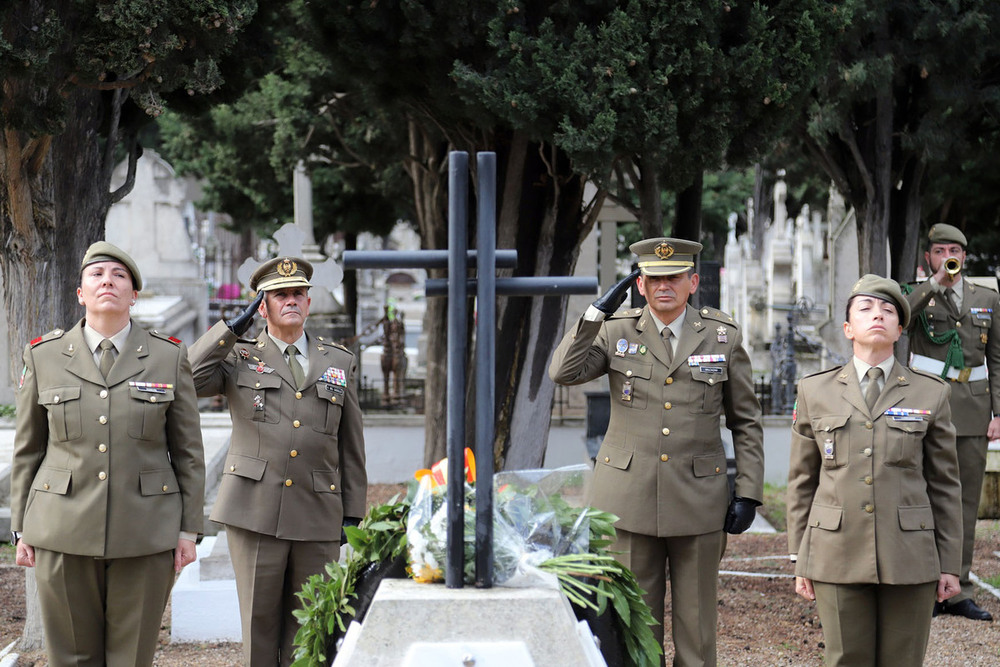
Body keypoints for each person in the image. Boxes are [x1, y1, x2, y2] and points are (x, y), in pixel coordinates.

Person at [549, 237, 764, 666]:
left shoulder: (723, 336)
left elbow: (746, 420)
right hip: (628, 499)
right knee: (634, 627)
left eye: (674, 277)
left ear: (693, 282)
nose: (664, 285)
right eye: (653, 278)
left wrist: (749, 492)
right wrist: (595, 314)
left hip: (699, 499)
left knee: (697, 627)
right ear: (640, 286)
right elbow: (563, 371)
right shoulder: (616, 329)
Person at [10, 241, 206, 667]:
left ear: (133, 294)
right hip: (62, 529)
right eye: (96, 275)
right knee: (71, 657)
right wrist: (21, 528)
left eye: (119, 276)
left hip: (146, 532)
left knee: (130, 658)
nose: (107, 282)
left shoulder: (168, 356)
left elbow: (188, 452)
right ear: (80, 292)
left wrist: (188, 532)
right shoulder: (43, 356)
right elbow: (28, 450)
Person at [188, 256, 367, 666]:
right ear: (262, 306)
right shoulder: (238, 357)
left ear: (309, 303)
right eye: (280, 295)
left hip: (318, 511)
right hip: (254, 510)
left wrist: (353, 513)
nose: (291, 301)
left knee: (313, 630)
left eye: (298, 294)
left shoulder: (337, 360)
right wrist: (233, 328)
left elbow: (351, 444)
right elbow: (190, 376)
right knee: (259, 626)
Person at [787, 274, 962, 666]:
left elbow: (946, 485)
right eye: (865, 309)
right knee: (845, 659)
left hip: (910, 555)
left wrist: (949, 563)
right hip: (836, 550)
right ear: (848, 328)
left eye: (888, 311)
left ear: (900, 330)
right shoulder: (815, 391)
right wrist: (800, 556)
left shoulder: (931, 392)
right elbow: (801, 480)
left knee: (904, 659)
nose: (877, 315)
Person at [904, 222, 999, 621]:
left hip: (973, 410)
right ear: (929, 257)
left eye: (954, 250)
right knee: (922, 495)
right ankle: (923, 586)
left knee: (964, 501)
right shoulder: (915, 294)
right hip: (926, 406)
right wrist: (935, 283)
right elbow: (901, 319)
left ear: (965, 253)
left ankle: (957, 588)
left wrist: (998, 412)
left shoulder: (987, 297)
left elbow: (996, 357)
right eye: (940, 251)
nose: (948, 257)